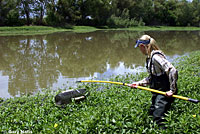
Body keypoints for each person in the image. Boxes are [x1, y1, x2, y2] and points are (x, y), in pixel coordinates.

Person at [128, 35, 178, 128]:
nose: (140, 50)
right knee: (151, 112)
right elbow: (152, 78)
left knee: (158, 117)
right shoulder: (149, 58)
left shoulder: (156, 57)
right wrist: (138, 83)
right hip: (157, 90)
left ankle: (163, 130)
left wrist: (172, 90)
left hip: (165, 90)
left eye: (139, 48)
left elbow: (172, 70)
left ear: (143, 46)